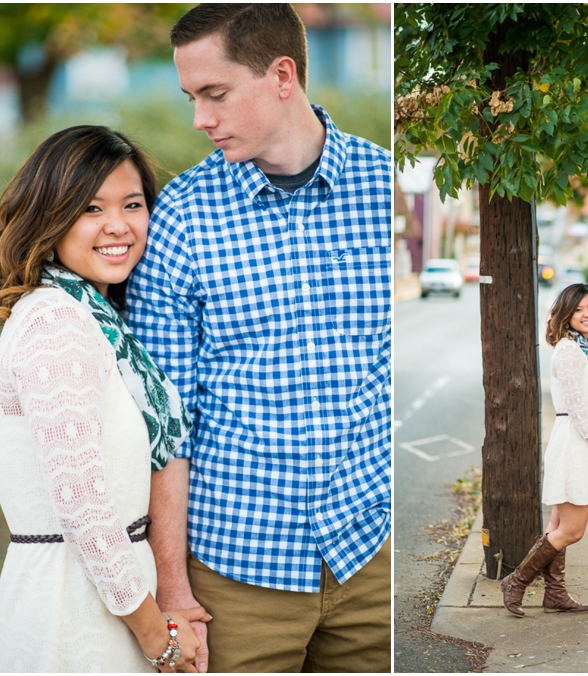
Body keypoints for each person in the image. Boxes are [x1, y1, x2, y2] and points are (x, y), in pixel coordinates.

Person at [126, 4, 391, 672]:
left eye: (215, 95)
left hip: (372, 560)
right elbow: (167, 425)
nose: (199, 120)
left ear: (282, 75)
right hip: (235, 575)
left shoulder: (380, 187)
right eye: (191, 98)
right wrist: (174, 590)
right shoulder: (181, 218)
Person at [0, 125, 211, 672]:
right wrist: (161, 638)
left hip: (109, 606)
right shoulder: (56, 320)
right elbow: (83, 502)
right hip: (68, 615)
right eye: (89, 208)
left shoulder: (97, 321)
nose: (117, 226)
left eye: (132, 205)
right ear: (48, 217)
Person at [501, 284, 588, 617]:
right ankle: (516, 582)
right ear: (566, 314)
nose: (587, 314)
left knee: (556, 527)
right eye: (579, 309)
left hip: (581, 438)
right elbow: (579, 408)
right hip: (575, 441)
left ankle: (555, 593)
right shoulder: (569, 350)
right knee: (572, 530)